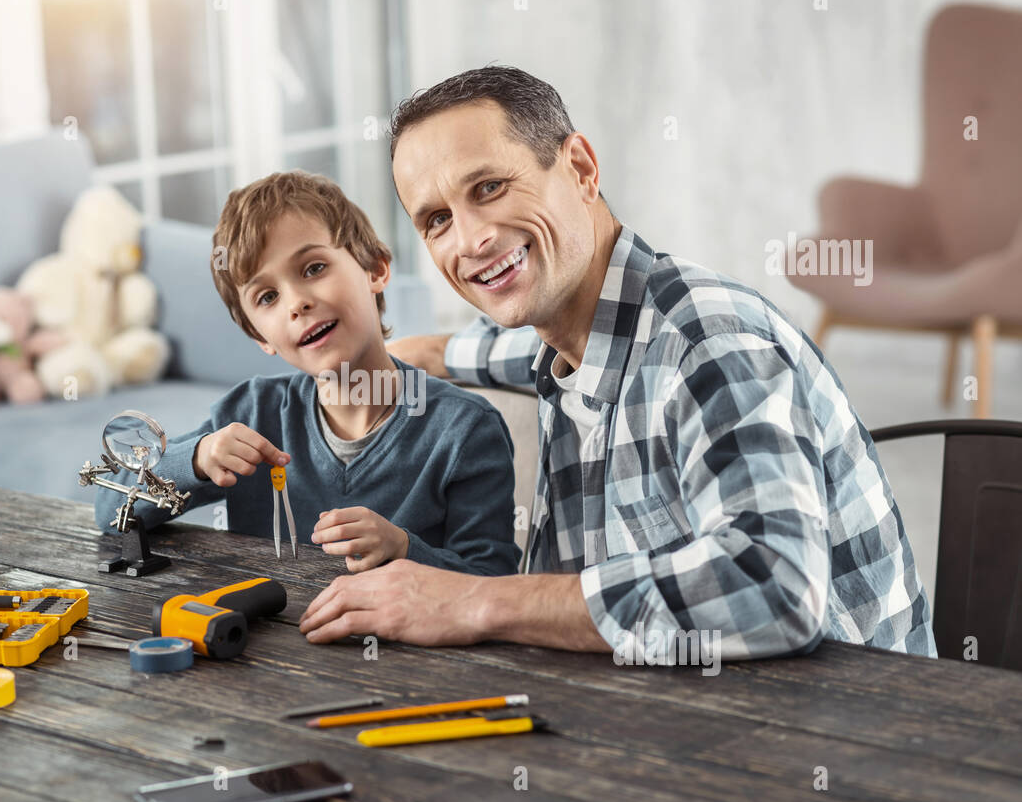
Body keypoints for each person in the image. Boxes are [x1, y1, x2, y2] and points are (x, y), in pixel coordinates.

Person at [299, 65, 935, 661]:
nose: (470, 240)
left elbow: (774, 588)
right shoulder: (561, 337)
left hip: (843, 738)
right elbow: (474, 349)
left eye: (489, 188)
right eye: (437, 220)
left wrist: (471, 602)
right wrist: (415, 355)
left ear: (579, 168)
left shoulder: (707, 343)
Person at [94, 170, 520, 576]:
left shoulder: (465, 430)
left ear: (375, 268)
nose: (296, 302)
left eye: (313, 269)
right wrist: (198, 459)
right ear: (260, 337)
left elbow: (492, 584)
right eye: (267, 297)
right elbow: (110, 512)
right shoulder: (251, 413)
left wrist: (404, 549)